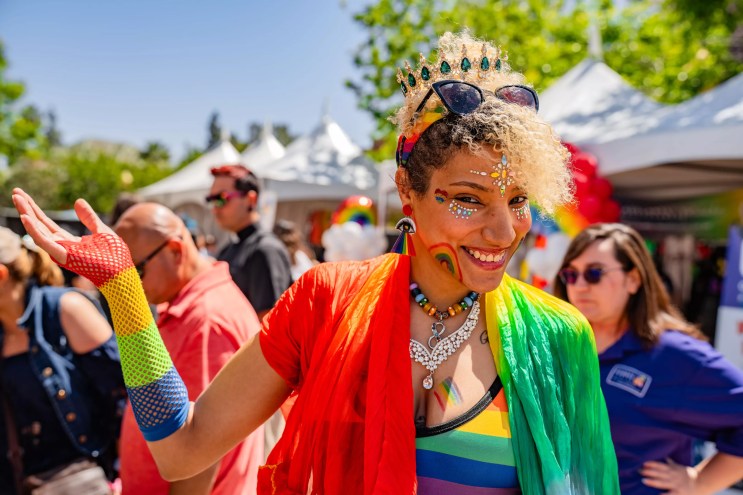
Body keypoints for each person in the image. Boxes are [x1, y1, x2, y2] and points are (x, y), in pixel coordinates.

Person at [13, 31, 620, 495]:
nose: (503, 229)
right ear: (407, 191)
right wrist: (125, 291)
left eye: (517, 202)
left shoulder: (556, 337)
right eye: (468, 199)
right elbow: (181, 449)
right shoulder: (324, 301)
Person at [553, 222, 743, 494]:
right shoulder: (559, 348)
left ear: (634, 279)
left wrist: (699, 482)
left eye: (595, 273)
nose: (580, 285)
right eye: (571, 275)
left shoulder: (674, 356)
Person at [112, 203, 264, 495]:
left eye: (136, 271)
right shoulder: (195, 307)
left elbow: (199, 454)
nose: (133, 285)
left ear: (175, 250)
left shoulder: (205, 320)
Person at [0, 226, 125, 494]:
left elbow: (124, 397)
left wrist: (124, 469)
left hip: (83, 477)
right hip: (24, 482)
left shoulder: (66, 309)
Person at [207, 164, 292, 318]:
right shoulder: (228, 249)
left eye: (221, 199)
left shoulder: (266, 249)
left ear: (250, 199)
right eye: (211, 200)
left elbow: (269, 323)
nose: (215, 208)